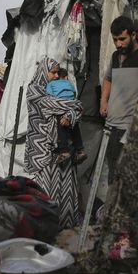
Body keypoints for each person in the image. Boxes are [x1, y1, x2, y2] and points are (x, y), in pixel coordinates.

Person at [24, 57, 84, 228]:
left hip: (64, 148)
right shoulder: (34, 91)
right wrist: (75, 108)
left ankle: (65, 225)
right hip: (43, 150)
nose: (57, 76)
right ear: (44, 72)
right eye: (53, 72)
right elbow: (60, 105)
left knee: (65, 187)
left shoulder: (57, 89)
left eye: (58, 72)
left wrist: (72, 113)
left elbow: (73, 109)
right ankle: (45, 227)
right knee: (45, 191)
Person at [99, 16, 138, 176]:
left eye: (122, 39)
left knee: (131, 179)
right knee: (113, 177)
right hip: (111, 129)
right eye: (115, 40)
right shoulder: (115, 57)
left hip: (131, 130)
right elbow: (108, 79)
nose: (118, 44)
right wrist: (103, 101)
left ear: (133, 35)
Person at [45, 66, 87, 164]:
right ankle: (80, 150)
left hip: (61, 108)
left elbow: (49, 97)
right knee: (75, 126)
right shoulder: (70, 84)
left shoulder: (51, 84)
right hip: (71, 107)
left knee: (62, 127)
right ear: (66, 77)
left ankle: (64, 151)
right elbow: (74, 95)